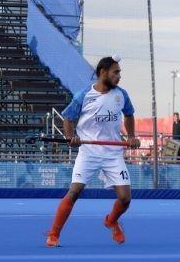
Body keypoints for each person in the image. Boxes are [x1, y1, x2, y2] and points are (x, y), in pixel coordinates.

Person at [46, 57, 139, 247]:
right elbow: (68, 117)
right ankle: (53, 234)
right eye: (116, 72)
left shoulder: (121, 95)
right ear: (103, 72)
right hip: (89, 152)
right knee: (74, 191)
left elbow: (129, 114)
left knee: (125, 199)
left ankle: (111, 221)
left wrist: (131, 136)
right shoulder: (84, 95)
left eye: (119, 72)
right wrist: (71, 137)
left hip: (113, 153)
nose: (119, 76)